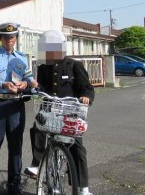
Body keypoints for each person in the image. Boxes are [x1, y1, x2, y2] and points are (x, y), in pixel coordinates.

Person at [24, 30, 94, 195]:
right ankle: (37, 164)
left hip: (70, 112)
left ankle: (83, 187)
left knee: (77, 148)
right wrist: (32, 89)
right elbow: (40, 87)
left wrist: (86, 97)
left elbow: (87, 88)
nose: (49, 53)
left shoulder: (74, 65)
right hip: (50, 110)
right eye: (47, 50)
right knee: (38, 127)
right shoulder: (43, 67)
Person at [0, 22, 38, 195]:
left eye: (12, 37)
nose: (9, 41)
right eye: (5, 37)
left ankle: (14, 184)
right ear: (0, 38)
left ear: (16, 38)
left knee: (16, 146)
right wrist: (3, 84)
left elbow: (30, 79)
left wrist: (26, 83)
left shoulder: (22, 58)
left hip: (16, 105)